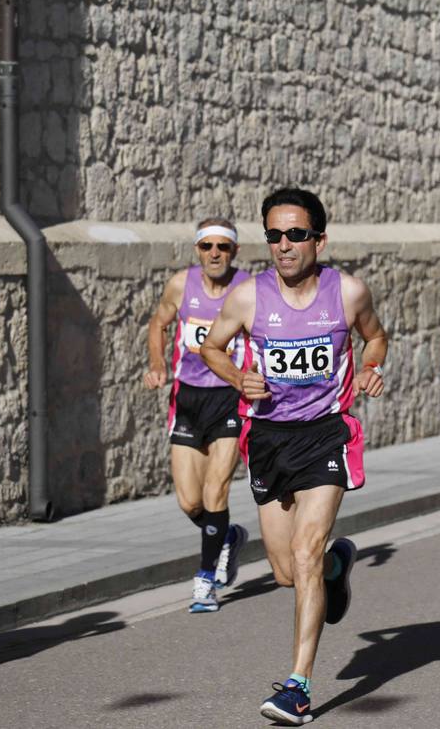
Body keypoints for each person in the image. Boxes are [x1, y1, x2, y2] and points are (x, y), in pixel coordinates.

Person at [200, 188, 389, 726]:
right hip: (267, 440)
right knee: (288, 571)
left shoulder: (347, 292)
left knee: (304, 553)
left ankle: (298, 685)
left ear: (319, 240)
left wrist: (372, 365)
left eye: (296, 234)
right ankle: (337, 563)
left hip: (326, 434)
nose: (284, 245)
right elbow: (211, 347)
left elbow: (375, 337)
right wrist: (239, 377)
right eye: (275, 235)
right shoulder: (247, 298)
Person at [143, 218, 251, 614]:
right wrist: (157, 363)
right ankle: (227, 536)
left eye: (223, 246)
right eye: (207, 247)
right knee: (190, 502)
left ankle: (205, 582)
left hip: (229, 398)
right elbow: (158, 323)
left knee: (214, 491)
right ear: (198, 251)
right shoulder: (180, 285)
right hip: (187, 399)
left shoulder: (248, 289)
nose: (215, 253)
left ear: (235, 251)